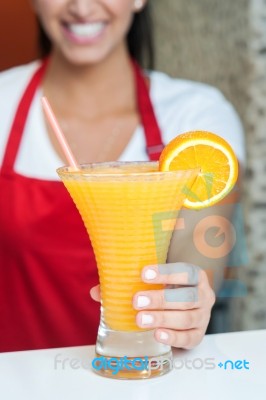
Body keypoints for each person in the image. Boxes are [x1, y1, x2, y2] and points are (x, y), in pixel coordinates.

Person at [0, 0, 245, 353]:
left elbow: (199, 247)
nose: (82, 8)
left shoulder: (195, 114)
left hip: (147, 377)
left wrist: (188, 296)